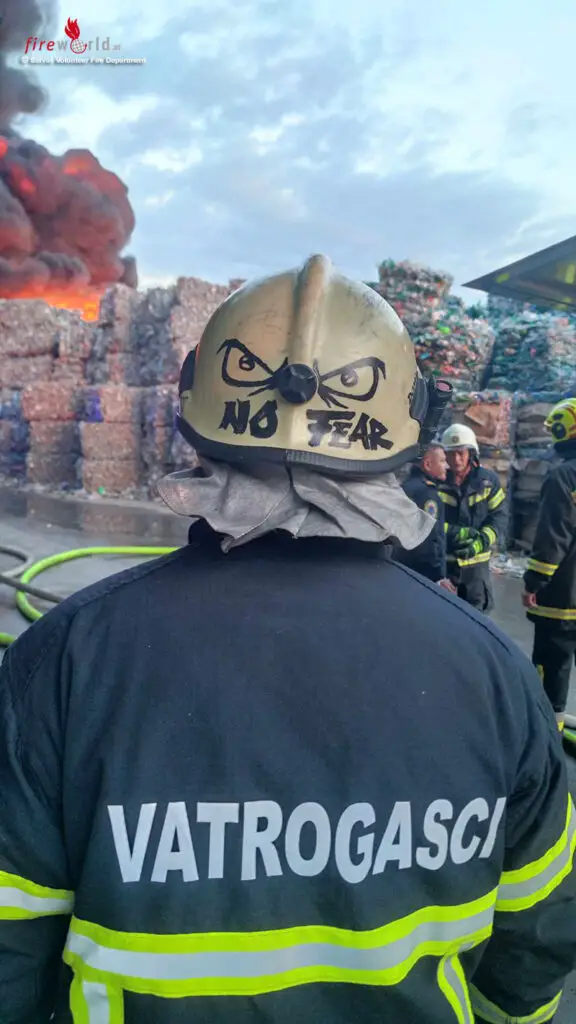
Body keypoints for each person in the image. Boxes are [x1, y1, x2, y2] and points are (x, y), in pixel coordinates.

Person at [0, 255, 575, 1024]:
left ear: (197, 408)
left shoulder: (64, 662)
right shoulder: (496, 674)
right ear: (407, 427)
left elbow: (11, 951)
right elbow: (531, 958)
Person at [522, 397, 576, 732]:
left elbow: (553, 538)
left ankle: (547, 738)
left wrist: (533, 582)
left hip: (563, 598)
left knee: (551, 667)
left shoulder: (563, 476)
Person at [439, 424, 507, 612]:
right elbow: (428, 522)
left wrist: (482, 541)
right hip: (445, 567)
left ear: (471, 453)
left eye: (461, 453)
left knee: (477, 618)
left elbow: (499, 517)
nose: (456, 459)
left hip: (476, 572)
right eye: (451, 454)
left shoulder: (487, 482)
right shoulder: (438, 482)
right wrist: (454, 533)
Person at [395, 442, 454, 588]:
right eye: (442, 461)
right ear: (427, 464)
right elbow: (430, 538)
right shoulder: (427, 493)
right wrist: (438, 577)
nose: (447, 466)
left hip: (402, 568)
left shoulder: (405, 486)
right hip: (423, 574)